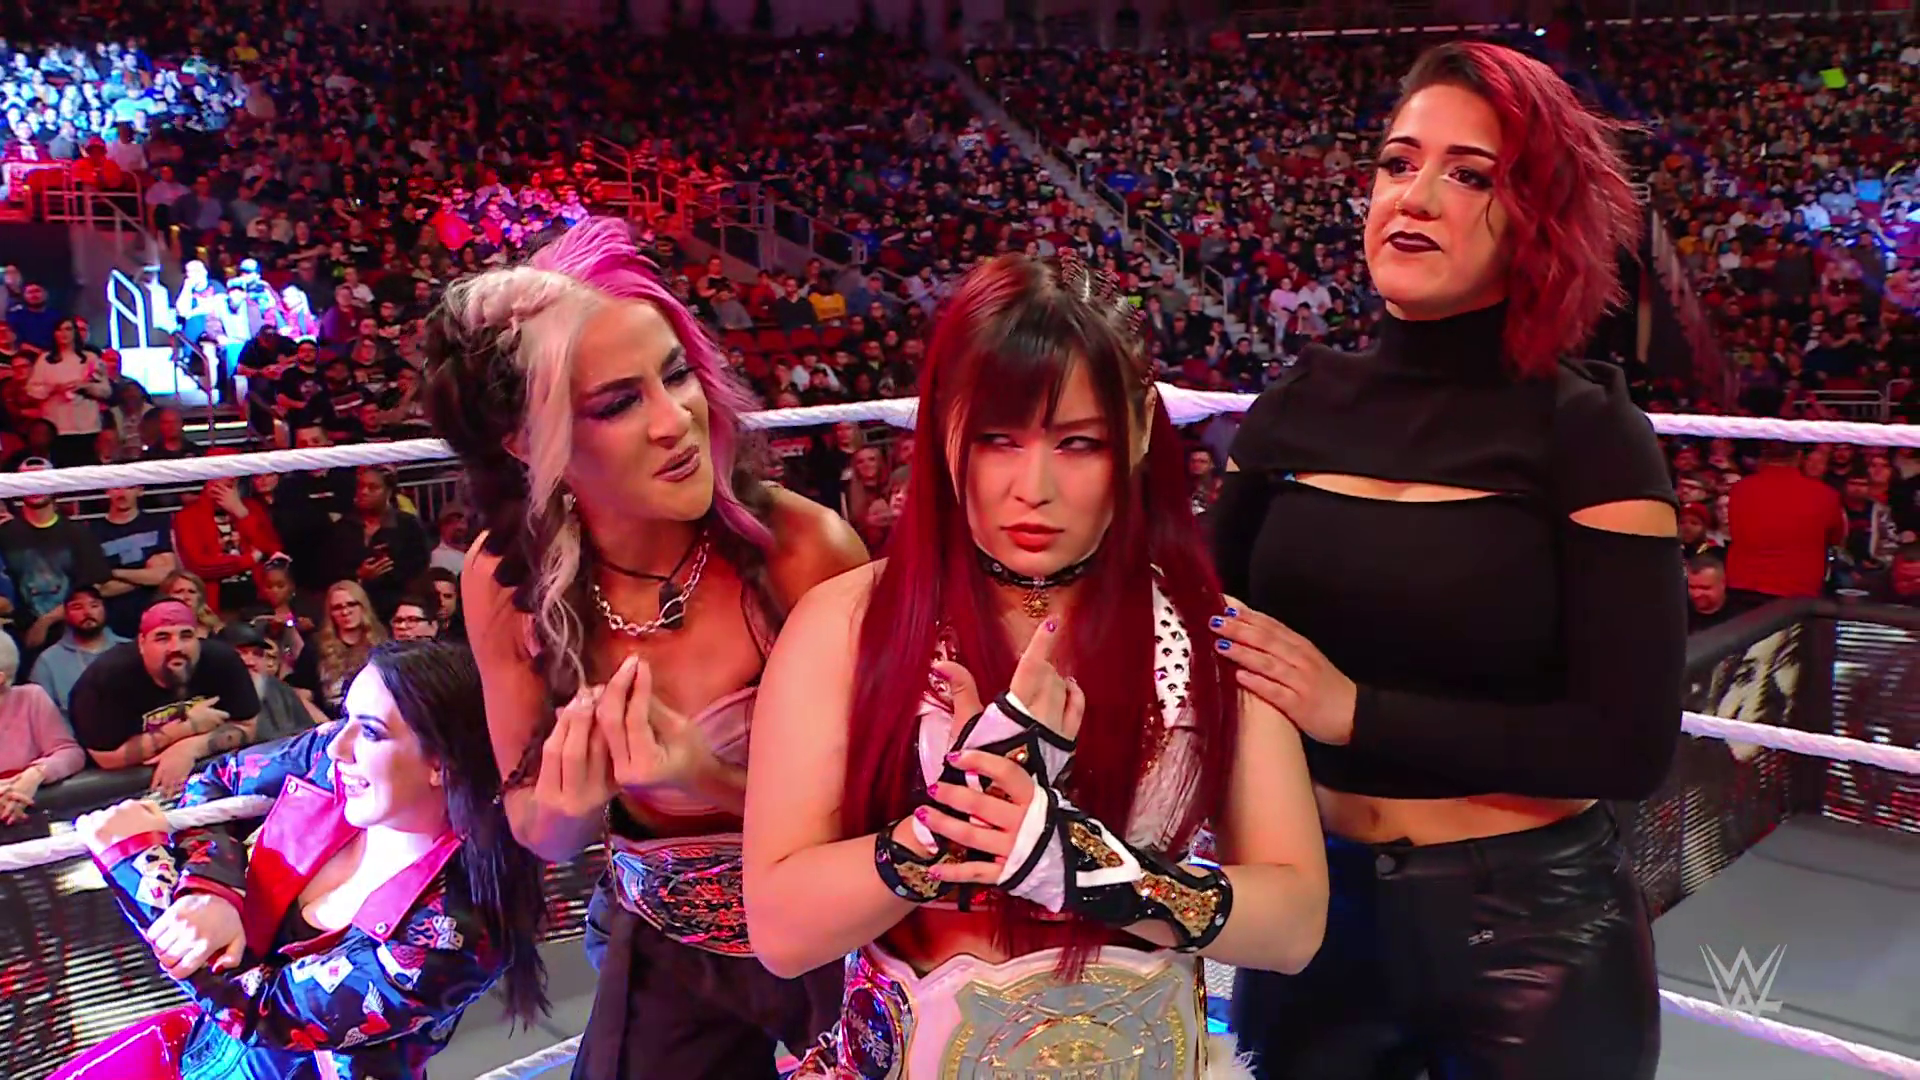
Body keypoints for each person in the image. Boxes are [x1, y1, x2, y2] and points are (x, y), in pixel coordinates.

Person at [1210, 42, 1684, 1079]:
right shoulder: (1295, 404)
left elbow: (1629, 745)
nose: (1415, 196)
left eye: (1469, 175)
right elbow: (1202, 629)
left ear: (1535, 216)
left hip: (1529, 931)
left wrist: (1356, 713)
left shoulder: (1588, 432)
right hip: (1314, 911)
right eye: (1397, 163)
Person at [743, 252, 1328, 1079]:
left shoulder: (1207, 637)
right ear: (943, 431)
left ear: (1137, 432)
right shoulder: (846, 624)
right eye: (998, 440)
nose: (1034, 487)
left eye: (1078, 443)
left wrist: (1080, 863)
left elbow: (1296, 924)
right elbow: (781, 931)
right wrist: (958, 819)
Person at [422, 217, 868, 1079]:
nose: (676, 422)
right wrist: (571, 803)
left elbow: (892, 812)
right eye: (619, 403)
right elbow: (537, 827)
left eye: (677, 375)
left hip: (834, 933)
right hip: (664, 936)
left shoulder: (805, 550)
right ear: (527, 441)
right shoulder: (504, 578)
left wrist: (708, 778)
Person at [59, 641, 547, 1080]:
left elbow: (265, 1013)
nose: (338, 745)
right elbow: (218, 781)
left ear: (442, 761)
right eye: (345, 718)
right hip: (200, 1051)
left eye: (371, 731)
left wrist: (137, 864)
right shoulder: (330, 760)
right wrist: (211, 889)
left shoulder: (458, 927)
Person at [69, 600, 263, 796]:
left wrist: (189, 749)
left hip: (208, 781)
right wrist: (187, 728)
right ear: (142, 643)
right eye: (162, 638)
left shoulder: (222, 661)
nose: (176, 647)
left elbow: (248, 726)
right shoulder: (107, 677)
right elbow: (106, 758)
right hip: (123, 792)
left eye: (186, 635)